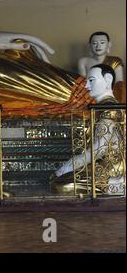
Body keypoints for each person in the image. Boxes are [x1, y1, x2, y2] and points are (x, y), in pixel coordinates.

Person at [52, 64, 124, 194]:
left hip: (112, 168)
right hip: (102, 164)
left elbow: (100, 148)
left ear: (108, 79)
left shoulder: (108, 108)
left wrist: (71, 164)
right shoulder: (102, 107)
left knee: (61, 185)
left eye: (91, 80)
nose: (86, 86)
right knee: (59, 181)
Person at [77, 31, 125, 101]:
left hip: (111, 96)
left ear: (109, 45)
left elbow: (119, 84)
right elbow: (82, 84)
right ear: (89, 45)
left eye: (102, 43)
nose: (98, 46)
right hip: (89, 96)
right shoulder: (83, 61)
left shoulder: (115, 61)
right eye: (94, 43)